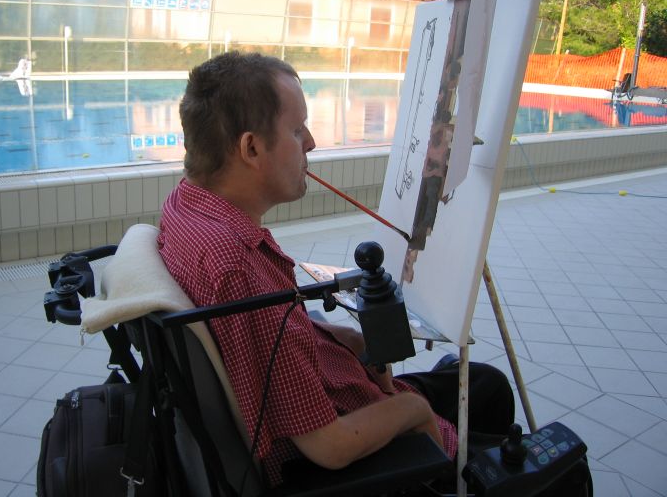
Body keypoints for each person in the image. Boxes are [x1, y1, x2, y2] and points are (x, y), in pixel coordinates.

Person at [157, 51, 514, 487]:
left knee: (487, 384)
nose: (310, 142)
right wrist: (413, 410)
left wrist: (342, 337)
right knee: (525, 457)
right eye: (296, 130)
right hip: (343, 447)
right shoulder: (235, 266)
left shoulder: (187, 205)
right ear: (251, 148)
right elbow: (329, 445)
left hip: (338, 380)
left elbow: (270, 341)